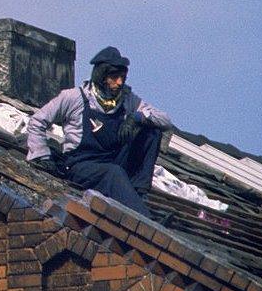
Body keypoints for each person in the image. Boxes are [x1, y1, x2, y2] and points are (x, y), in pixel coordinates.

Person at [26, 46, 173, 218]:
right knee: (113, 173)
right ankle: (144, 219)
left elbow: (165, 120)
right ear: (102, 76)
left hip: (113, 161)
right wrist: (41, 155)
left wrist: (137, 118)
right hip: (81, 165)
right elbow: (37, 121)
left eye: (122, 78)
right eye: (114, 77)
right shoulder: (74, 97)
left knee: (151, 133)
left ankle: (138, 195)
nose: (119, 82)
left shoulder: (127, 100)